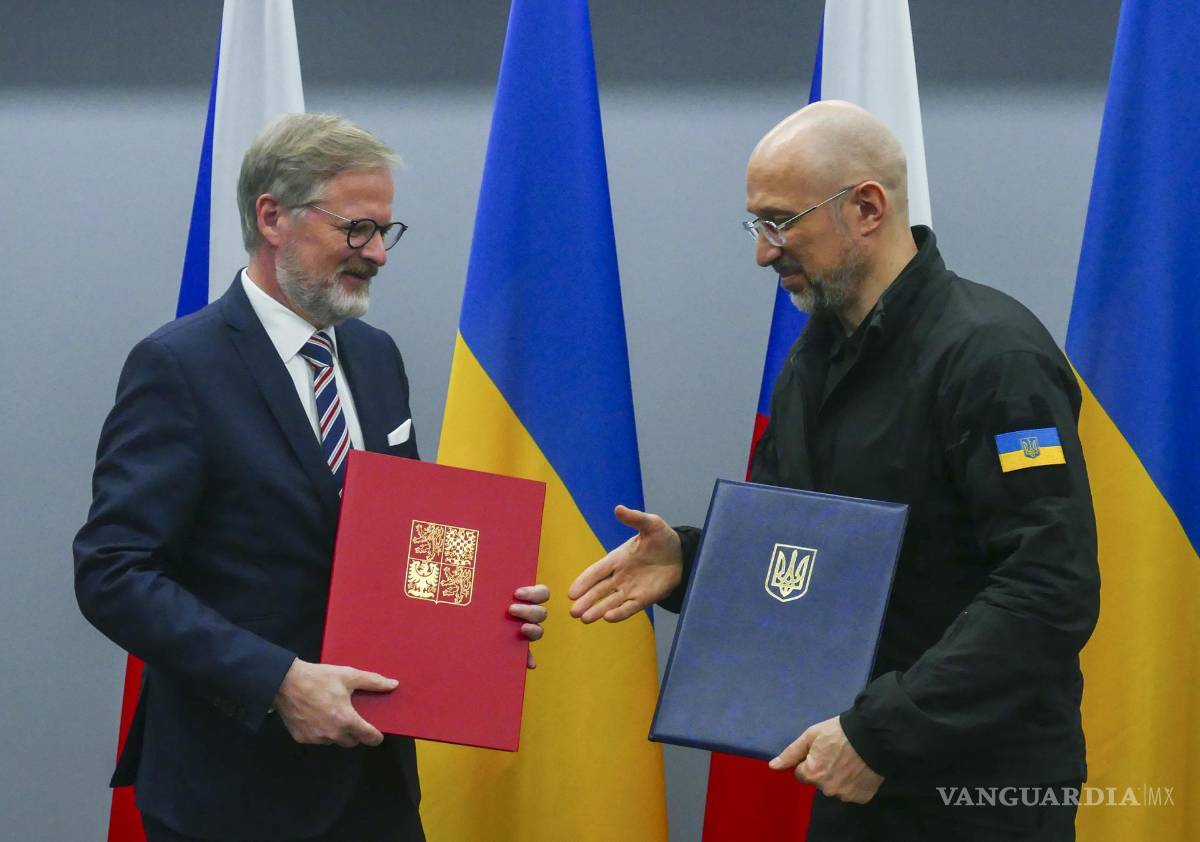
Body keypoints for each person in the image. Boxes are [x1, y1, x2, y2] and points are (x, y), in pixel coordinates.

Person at [569, 101, 1099, 841]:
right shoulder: (815, 359)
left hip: (978, 791)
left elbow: (1048, 589)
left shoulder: (995, 358)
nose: (763, 253)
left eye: (780, 223)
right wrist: (693, 561)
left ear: (867, 209)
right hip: (857, 770)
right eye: (756, 225)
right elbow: (800, 548)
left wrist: (884, 731)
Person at [74, 113, 550, 842]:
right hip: (234, 792)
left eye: (385, 232)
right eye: (357, 230)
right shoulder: (178, 367)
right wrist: (277, 681)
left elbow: (402, 539)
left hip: (376, 780)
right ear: (273, 218)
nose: (378, 255)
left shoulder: (375, 356)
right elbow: (113, 572)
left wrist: (485, 614)